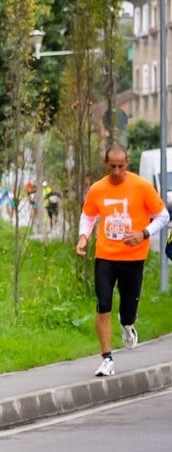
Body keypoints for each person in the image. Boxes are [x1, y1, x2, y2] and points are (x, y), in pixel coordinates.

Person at [76, 143, 169, 377]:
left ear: (127, 163)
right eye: (112, 167)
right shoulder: (97, 189)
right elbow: (88, 215)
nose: (116, 171)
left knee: (128, 309)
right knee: (103, 304)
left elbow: (163, 215)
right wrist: (83, 237)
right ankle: (107, 359)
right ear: (106, 164)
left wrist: (143, 234)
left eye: (121, 166)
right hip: (105, 256)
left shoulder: (142, 186)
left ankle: (127, 324)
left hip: (134, 257)